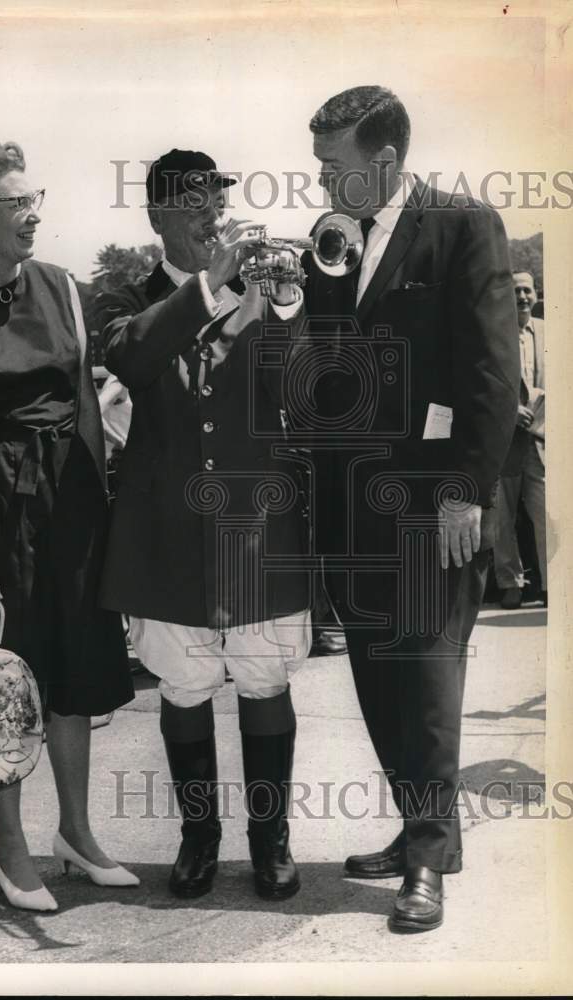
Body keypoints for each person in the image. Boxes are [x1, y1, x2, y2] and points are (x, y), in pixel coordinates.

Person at [295, 86, 519, 931]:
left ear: (384, 161)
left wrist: (467, 490)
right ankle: (416, 827)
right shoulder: (334, 243)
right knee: (376, 675)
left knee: (426, 676)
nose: (320, 184)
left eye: (333, 168)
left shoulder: (463, 227)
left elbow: (493, 376)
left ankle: (428, 859)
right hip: (352, 503)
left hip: (434, 505)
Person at [0, 141, 136, 912]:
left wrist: (104, 509)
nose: (34, 212)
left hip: (71, 498)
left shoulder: (64, 288)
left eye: (35, 196)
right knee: (3, 678)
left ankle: (76, 833)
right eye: (16, 203)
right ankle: (11, 849)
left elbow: (84, 402)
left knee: (73, 668)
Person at [98, 149, 311, 901]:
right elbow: (130, 355)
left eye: (216, 202)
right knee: (184, 685)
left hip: (256, 524)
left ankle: (270, 839)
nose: (212, 216)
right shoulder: (125, 295)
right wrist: (209, 283)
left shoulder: (265, 287)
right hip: (169, 533)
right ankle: (198, 839)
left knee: (264, 677)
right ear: (157, 215)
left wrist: (285, 305)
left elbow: (302, 387)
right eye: (193, 204)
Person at [493, 271, 546, 609]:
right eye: (516, 292)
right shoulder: (495, 333)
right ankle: (511, 583)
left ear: (536, 295)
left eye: (527, 290)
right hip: (505, 438)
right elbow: (487, 381)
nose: (523, 297)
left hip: (542, 439)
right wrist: (509, 409)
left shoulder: (549, 331)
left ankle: (551, 583)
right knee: (502, 516)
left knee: (548, 515)